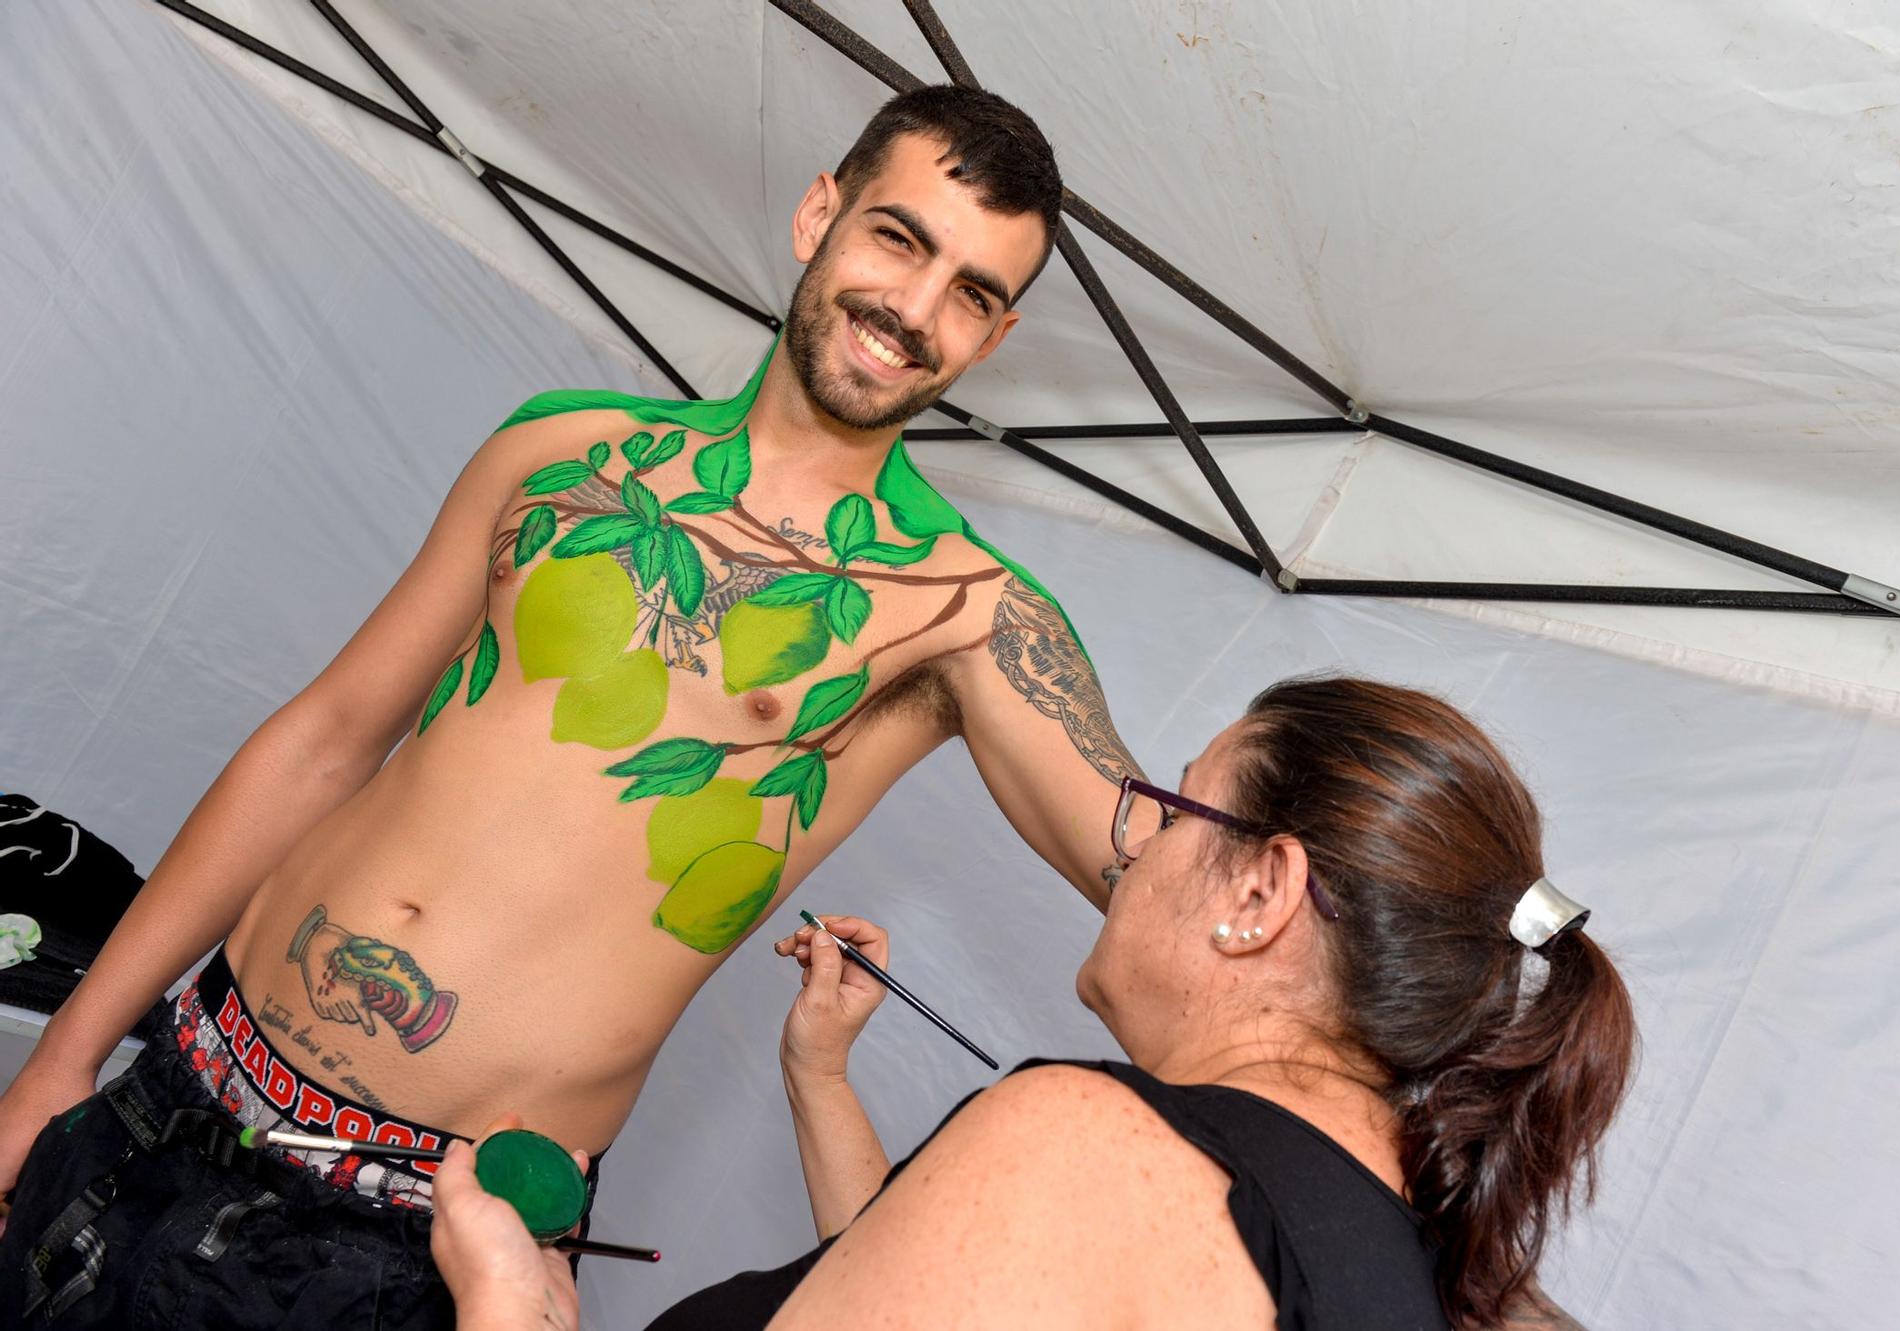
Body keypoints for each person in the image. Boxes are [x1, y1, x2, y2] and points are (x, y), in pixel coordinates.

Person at [0, 85, 1152, 1328]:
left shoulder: (965, 617)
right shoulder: (565, 450)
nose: (914, 310)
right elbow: (325, 739)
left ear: (995, 336)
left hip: (425, 1236)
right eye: (897, 238)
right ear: (818, 213)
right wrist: (66, 1053)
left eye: (971, 293)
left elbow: (1177, 897)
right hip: (175, 1094)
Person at [435, 676, 1638, 1330]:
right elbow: (959, 1282)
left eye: (1175, 807)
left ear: (1260, 892)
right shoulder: (1427, 1264)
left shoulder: (1095, 1145)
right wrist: (820, 1074)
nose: (1133, 840)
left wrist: (499, 1311)